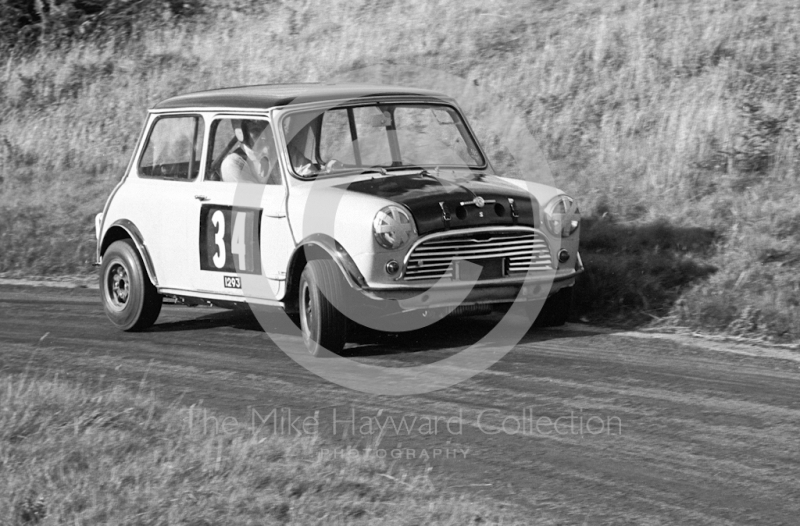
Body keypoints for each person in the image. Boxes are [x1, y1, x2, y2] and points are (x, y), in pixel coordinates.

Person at [221, 120, 279, 184]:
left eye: (266, 130)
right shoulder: (232, 163)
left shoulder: (275, 154)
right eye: (256, 131)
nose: (263, 136)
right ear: (243, 134)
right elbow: (254, 193)